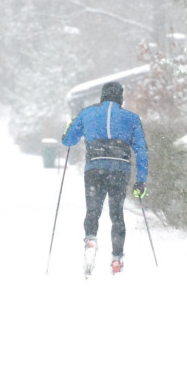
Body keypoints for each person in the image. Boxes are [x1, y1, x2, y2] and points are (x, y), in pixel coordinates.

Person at [62, 81, 148, 274]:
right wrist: (141, 180)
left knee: (93, 209)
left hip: (95, 167)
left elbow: (68, 140)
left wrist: (70, 126)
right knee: (117, 214)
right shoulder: (131, 118)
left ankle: (91, 239)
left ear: (102, 96)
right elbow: (141, 151)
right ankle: (117, 259)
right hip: (119, 169)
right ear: (120, 97)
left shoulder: (87, 113)